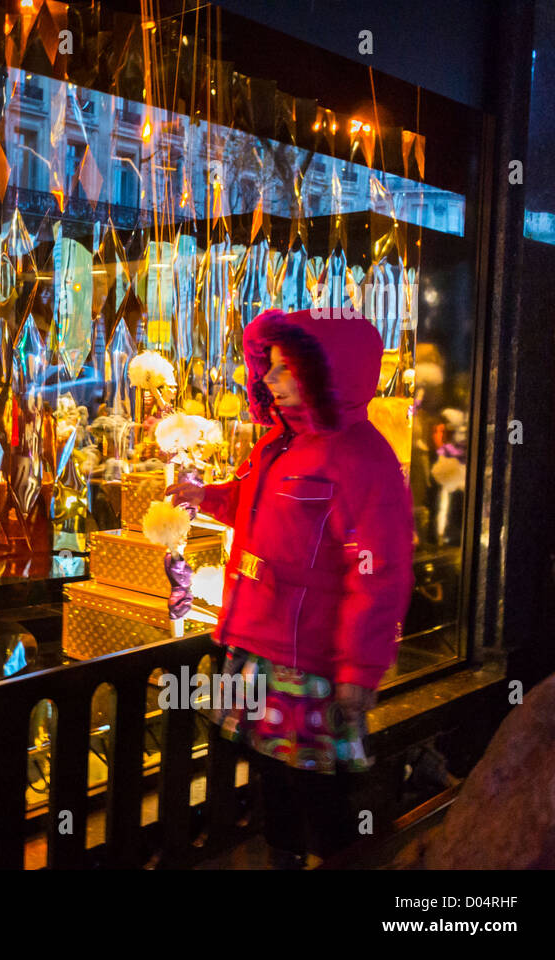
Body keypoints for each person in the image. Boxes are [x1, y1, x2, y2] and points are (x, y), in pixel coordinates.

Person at [168, 308, 414, 868]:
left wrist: (359, 669)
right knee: (271, 774)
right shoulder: (278, 444)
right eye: (270, 368)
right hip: (260, 641)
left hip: (310, 659)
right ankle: (282, 859)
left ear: (324, 375)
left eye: (283, 369)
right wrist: (206, 497)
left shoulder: (361, 457)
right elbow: (256, 508)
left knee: (318, 787)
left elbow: (379, 574)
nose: (268, 380)